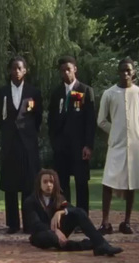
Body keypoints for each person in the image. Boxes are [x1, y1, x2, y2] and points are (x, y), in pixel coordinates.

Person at [97, 57, 139, 235]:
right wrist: (116, 131)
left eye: (129, 70)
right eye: (122, 70)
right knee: (108, 181)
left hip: (135, 144)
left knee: (131, 182)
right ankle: (105, 222)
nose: (125, 73)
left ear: (134, 72)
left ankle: (126, 222)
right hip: (116, 144)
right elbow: (101, 120)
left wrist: (132, 131)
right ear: (118, 72)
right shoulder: (109, 93)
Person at [24, 169, 123, 256]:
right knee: (51, 237)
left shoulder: (59, 198)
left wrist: (61, 212)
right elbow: (35, 225)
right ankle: (86, 244)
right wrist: (56, 231)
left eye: (51, 182)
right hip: (42, 235)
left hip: (60, 232)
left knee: (79, 213)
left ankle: (101, 244)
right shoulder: (31, 201)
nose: (48, 185)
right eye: (45, 182)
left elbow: (76, 211)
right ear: (39, 184)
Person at [0, 56, 43, 234]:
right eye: (13, 68)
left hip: (28, 143)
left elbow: (38, 118)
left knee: (29, 184)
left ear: (25, 70)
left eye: (19, 68)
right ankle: (13, 224)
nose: (16, 71)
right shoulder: (1, 93)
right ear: (9, 71)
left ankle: (30, 223)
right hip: (10, 143)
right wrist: (9, 131)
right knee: (11, 184)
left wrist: (27, 132)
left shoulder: (33, 92)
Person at [47, 56, 96, 217]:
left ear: (75, 69)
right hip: (61, 147)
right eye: (63, 70)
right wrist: (54, 142)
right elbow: (51, 120)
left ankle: (82, 217)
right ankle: (65, 216)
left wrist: (88, 145)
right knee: (62, 184)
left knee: (81, 183)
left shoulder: (85, 90)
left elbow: (90, 121)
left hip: (80, 146)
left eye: (69, 69)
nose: (66, 73)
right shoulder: (57, 93)